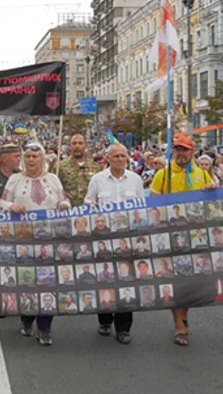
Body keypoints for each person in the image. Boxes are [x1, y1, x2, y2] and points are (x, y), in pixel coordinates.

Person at [0, 143, 71, 346]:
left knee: (48, 283)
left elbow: (64, 201)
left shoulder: (53, 179)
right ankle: (27, 318)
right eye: (28, 156)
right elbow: (1, 204)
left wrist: (64, 205)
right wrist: (12, 206)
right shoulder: (15, 180)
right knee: (27, 282)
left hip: (49, 241)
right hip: (23, 241)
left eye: (35, 156)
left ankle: (45, 328)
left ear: (43, 159)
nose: (31, 160)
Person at [150, 134, 216, 346]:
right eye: (178, 149)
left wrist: (212, 190)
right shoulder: (163, 174)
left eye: (185, 149)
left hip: (196, 237)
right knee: (176, 280)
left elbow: (213, 205)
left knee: (192, 280)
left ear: (192, 151)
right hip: (171, 237)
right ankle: (179, 323)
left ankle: (184, 313)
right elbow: (152, 204)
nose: (181, 153)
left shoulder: (202, 175)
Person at [83, 143, 144, 344]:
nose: (119, 159)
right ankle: (105, 320)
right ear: (107, 158)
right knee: (106, 280)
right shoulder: (97, 180)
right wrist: (91, 208)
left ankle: (124, 327)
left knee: (126, 281)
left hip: (127, 240)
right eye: (115, 156)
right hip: (104, 241)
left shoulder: (135, 180)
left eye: (123, 156)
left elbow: (141, 207)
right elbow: (88, 202)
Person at [57, 134, 100, 207]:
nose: (77, 146)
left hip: (89, 210)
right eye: (74, 143)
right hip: (68, 210)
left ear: (86, 146)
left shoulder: (95, 167)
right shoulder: (60, 166)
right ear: (70, 146)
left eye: (80, 143)